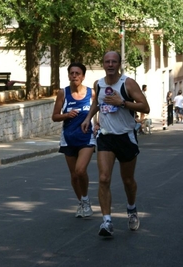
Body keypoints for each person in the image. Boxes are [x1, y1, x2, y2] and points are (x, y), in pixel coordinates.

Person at [81, 51, 150, 237]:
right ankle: (107, 222)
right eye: (107, 61)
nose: (110, 64)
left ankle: (132, 209)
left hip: (126, 136)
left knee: (128, 181)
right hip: (106, 136)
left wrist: (123, 102)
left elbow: (145, 107)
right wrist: (89, 118)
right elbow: (97, 102)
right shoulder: (99, 83)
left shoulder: (127, 83)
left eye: (114, 61)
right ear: (103, 64)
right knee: (104, 178)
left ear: (119, 64)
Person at [51, 62, 95, 218]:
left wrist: (98, 125)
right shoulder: (63, 93)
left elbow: (99, 111)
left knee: (80, 170)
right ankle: (83, 202)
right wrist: (66, 115)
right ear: (68, 75)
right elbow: (55, 116)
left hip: (86, 137)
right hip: (68, 137)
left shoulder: (92, 93)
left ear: (83, 76)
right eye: (72, 73)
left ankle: (85, 200)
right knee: (74, 175)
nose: (74, 76)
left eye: (78, 73)